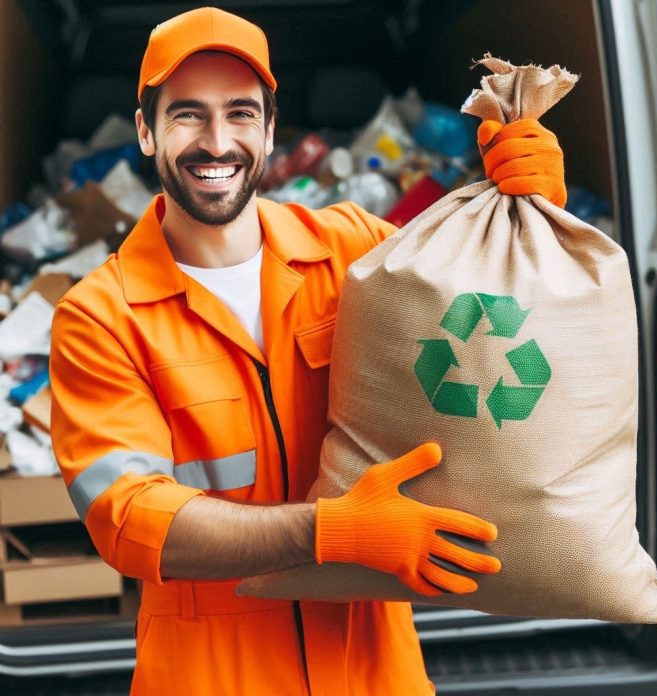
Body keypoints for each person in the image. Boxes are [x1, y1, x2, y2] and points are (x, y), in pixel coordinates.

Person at [49, 7, 566, 695]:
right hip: (211, 678)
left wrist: (534, 216)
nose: (216, 141)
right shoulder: (99, 316)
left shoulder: (350, 246)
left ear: (268, 129)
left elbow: (494, 318)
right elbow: (133, 519)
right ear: (145, 132)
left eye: (239, 113)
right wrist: (330, 533)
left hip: (376, 674)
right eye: (187, 116)